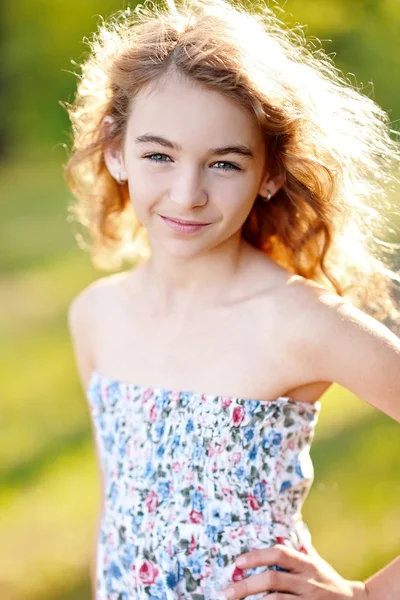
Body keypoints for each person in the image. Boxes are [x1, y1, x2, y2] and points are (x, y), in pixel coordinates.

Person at [64, 0, 400, 598]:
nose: (187, 194)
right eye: (159, 156)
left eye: (223, 163)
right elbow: (114, 510)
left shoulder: (302, 323)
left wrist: (364, 595)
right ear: (116, 151)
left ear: (270, 172)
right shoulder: (96, 315)